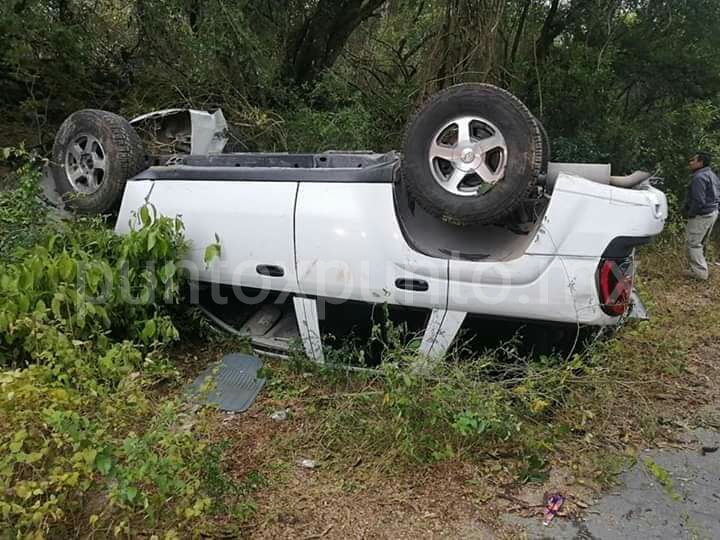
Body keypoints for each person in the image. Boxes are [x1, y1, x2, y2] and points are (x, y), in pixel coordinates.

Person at [684, 152, 720, 280]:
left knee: (693, 243)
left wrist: (690, 214)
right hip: (712, 213)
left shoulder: (699, 177)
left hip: (702, 215)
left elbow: (699, 201)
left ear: (700, 162)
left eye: (693, 160)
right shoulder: (712, 175)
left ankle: (699, 273)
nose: (690, 162)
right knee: (701, 242)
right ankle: (700, 269)